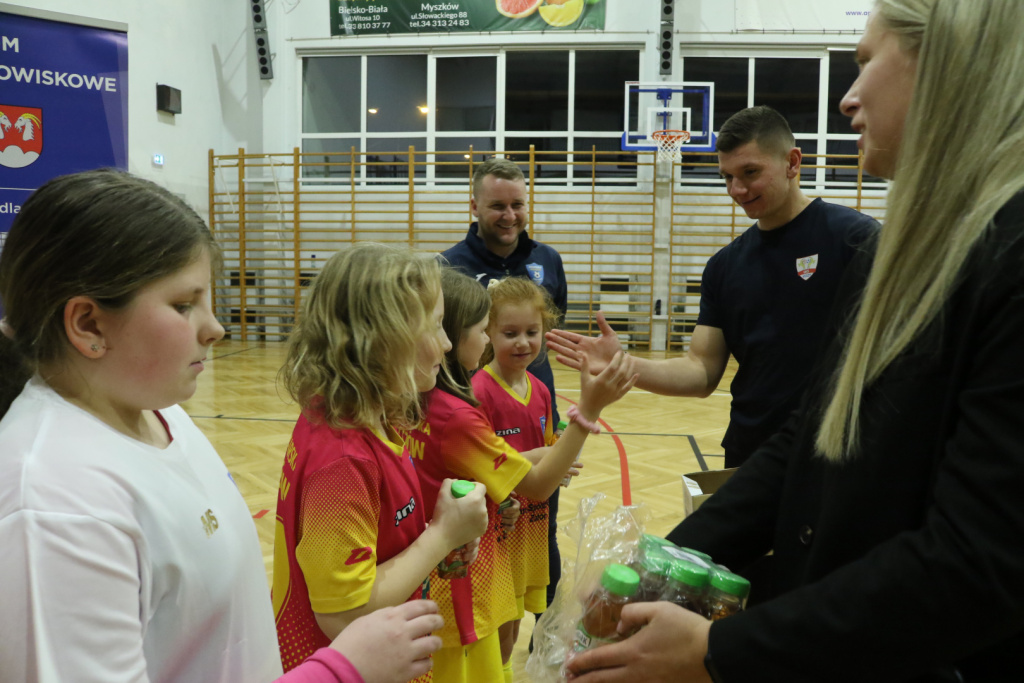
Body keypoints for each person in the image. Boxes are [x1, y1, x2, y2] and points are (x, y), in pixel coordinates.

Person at [566, 0, 1024, 680]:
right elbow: (810, 437)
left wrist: (720, 652)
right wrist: (661, 560)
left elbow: (980, 560)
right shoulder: (901, 251)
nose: (848, 98)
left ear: (946, 65)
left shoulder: (978, 248)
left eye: (865, 62)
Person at [0, 169, 447, 683]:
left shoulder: (158, 411)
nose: (215, 328)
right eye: (183, 305)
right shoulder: (57, 507)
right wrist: (343, 670)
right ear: (88, 323)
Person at [548, 106, 879, 469]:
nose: (737, 190)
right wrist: (624, 363)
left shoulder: (855, 239)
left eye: (750, 172)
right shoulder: (725, 266)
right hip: (750, 452)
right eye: (727, 177)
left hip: (839, 452)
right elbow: (702, 371)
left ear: (792, 162)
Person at [272, 243, 490, 679]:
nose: (448, 343)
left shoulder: (367, 413)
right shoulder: (344, 460)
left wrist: (430, 538)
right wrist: (442, 536)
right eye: (435, 326)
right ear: (383, 341)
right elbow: (344, 617)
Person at [406, 268, 635, 683]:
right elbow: (535, 481)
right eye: (485, 330)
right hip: (466, 559)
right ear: (458, 335)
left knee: (494, 636)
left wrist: (543, 464)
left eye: (532, 332)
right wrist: (588, 410)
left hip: (488, 540)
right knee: (471, 650)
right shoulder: (460, 409)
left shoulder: (423, 399)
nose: (492, 341)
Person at [440, 157, 569, 612]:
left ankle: (544, 638)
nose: (510, 215)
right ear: (474, 205)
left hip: (534, 410)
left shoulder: (547, 260)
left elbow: (550, 331)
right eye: (497, 205)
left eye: (518, 204)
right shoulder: (449, 267)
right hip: (474, 418)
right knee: (487, 532)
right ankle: (487, 624)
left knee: (541, 524)